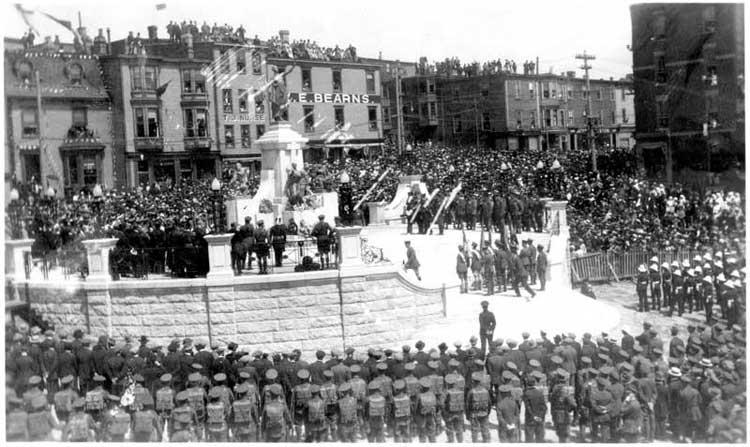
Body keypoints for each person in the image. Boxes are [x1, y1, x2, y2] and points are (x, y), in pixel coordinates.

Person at [467, 371, 491, 442]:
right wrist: (488, 413)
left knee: (474, 431)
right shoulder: (486, 391)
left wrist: (468, 415)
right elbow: (489, 403)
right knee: (485, 430)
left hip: (474, 414)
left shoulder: (471, 392)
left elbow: (468, 405)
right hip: (484, 413)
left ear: (473, 381)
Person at [523, 374, 547, 442]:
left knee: (529, 437)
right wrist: (540, 416)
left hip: (530, 418)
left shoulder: (526, 393)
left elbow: (528, 407)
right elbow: (544, 407)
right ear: (534, 383)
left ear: (527, 383)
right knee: (539, 438)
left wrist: (534, 416)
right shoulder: (539, 393)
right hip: (539, 419)